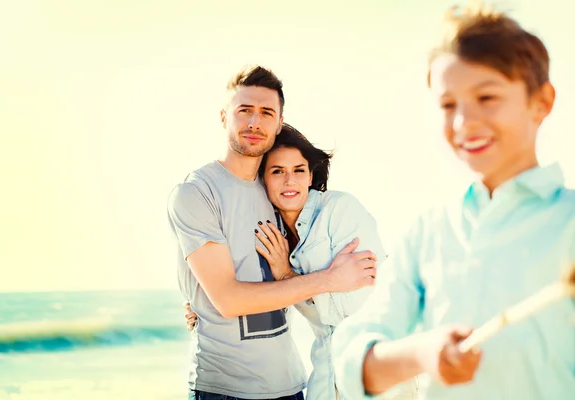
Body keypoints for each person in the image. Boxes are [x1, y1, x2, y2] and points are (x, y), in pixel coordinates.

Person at [332, 3, 575, 399]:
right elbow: (352, 366)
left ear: (541, 102)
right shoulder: (428, 231)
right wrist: (423, 354)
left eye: (487, 97)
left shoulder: (569, 221)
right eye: (449, 105)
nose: (464, 122)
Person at [168, 65, 379, 400]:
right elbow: (227, 299)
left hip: (292, 386)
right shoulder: (198, 192)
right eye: (245, 111)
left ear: (279, 123)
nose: (255, 122)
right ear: (224, 117)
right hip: (224, 390)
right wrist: (330, 278)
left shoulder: (277, 193)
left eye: (266, 113)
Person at [187, 124, 416, 399]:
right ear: (263, 179)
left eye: (298, 170)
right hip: (323, 380)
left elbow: (355, 307)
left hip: (377, 377)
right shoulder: (273, 235)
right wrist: (202, 306)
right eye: (277, 171)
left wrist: (288, 277)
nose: (289, 181)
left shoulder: (341, 211)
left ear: (310, 175)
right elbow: (252, 291)